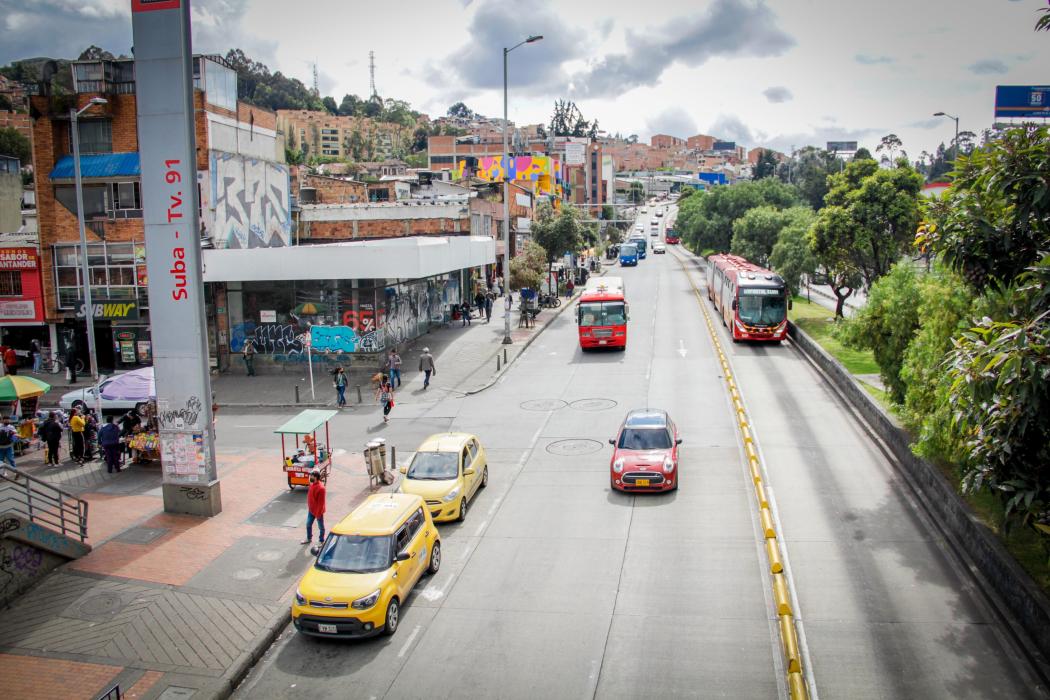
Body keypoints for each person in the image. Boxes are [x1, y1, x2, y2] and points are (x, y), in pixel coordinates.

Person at [302, 468, 326, 545]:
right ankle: (309, 538)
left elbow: (321, 503)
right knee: (308, 524)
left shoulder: (321, 488)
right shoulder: (312, 484)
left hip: (318, 511)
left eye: (311, 476)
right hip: (311, 510)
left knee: (321, 527)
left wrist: (318, 513)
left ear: (315, 477)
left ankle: (321, 540)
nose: (310, 477)